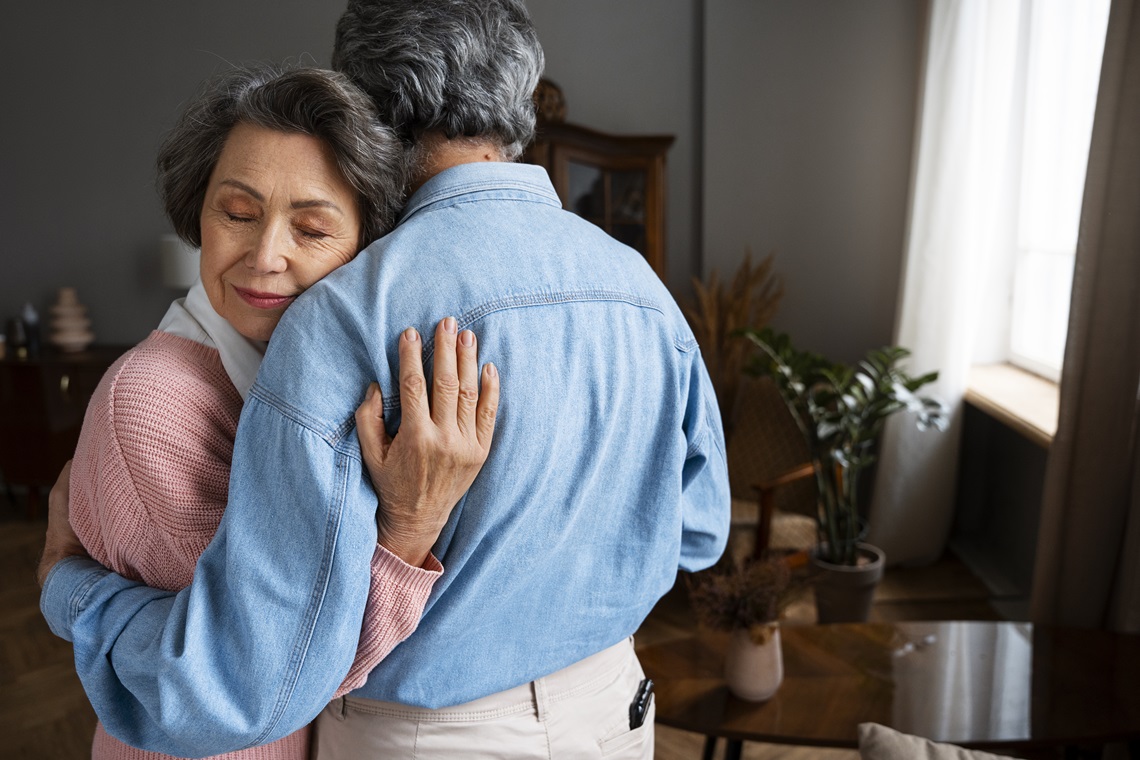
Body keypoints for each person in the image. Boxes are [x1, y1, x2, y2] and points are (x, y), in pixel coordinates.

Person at [39, 1, 731, 757]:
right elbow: (698, 531)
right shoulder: (641, 286)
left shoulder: (345, 315)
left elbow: (246, 680)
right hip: (613, 709)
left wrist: (70, 588)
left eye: (307, 227)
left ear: (363, 102)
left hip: (430, 734)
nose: (271, 252)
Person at [41, 64, 499, 759]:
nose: (265, 255)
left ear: (364, 252)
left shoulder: (304, 378)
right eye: (238, 213)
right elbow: (270, 675)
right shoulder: (152, 403)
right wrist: (409, 527)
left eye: (311, 228)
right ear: (199, 211)